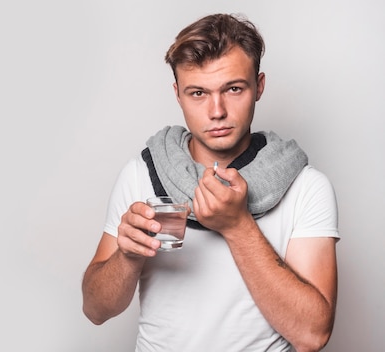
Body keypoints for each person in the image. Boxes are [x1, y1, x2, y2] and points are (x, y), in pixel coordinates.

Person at [81, 13, 339, 352]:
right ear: (177, 93)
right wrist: (128, 255)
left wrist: (237, 226)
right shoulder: (143, 174)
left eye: (233, 89)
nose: (217, 111)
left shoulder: (305, 186)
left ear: (259, 86)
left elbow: (312, 335)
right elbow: (96, 310)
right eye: (198, 93)